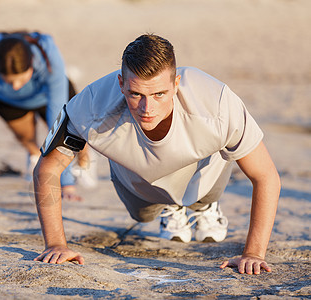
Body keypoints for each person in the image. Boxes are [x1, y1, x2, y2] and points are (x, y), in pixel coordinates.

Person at [33, 34, 281, 275]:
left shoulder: (216, 105)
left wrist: (255, 253)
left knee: (202, 194)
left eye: (158, 94)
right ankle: (169, 209)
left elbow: (266, 176)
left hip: (201, 170)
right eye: (135, 94)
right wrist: (55, 244)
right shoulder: (90, 105)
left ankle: (203, 207)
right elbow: (47, 169)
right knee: (141, 215)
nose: (147, 108)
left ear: (176, 84)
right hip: (136, 177)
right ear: (121, 84)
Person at [0, 30, 96, 200]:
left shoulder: (48, 54)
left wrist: (66, 184)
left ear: (32, 65)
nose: (16, 86)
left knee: (75, 135)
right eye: (9, 81)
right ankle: (36, 157)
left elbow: (57, 122)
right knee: (27, 139)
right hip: (9, 101)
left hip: (51, 95)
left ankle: (83, 161)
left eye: (20, 79)